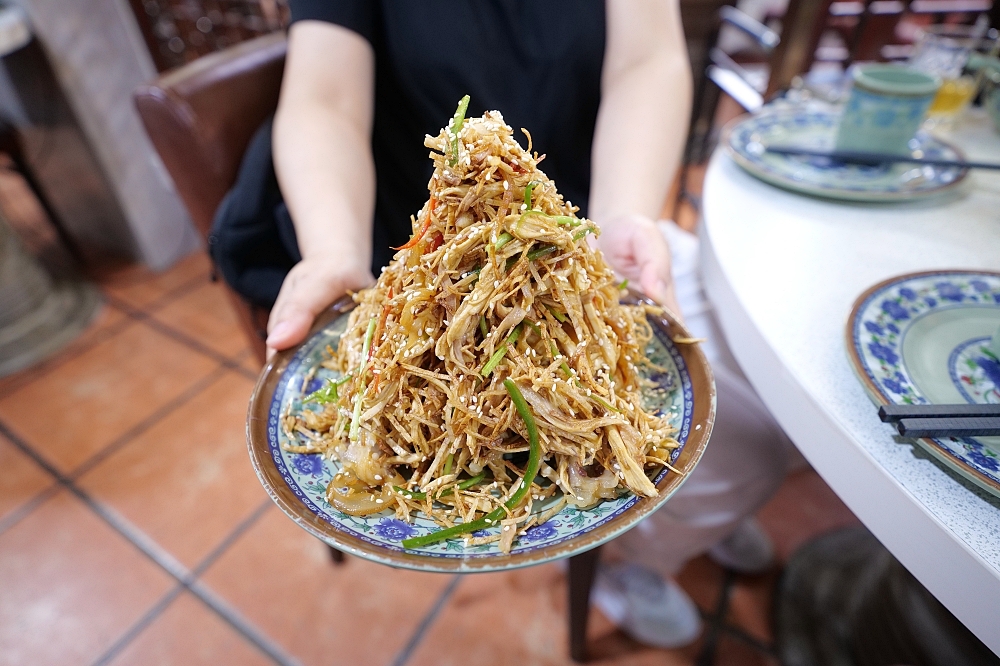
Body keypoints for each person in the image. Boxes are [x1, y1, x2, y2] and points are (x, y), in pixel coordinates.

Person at [216, 0, 790, 648]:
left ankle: (688, 527)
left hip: (584, 244)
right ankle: (659, 550)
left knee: (762, 417)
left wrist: (623, 218)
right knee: (743, 443)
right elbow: (323, 98)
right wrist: (330, 251)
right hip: (411, 268)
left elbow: (648, 61)